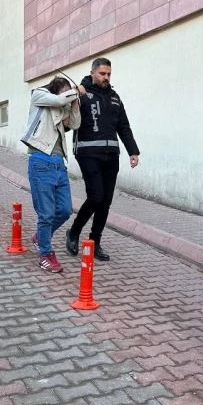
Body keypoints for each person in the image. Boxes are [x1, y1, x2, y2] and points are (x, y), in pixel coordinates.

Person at [65, 57, 139, 261]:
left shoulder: (115, 97)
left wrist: (133, 151)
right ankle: (73, 232)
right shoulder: (81, 93)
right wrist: (74, 92)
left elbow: (123, 126)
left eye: (109, 74)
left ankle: (95, 241)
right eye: (102, 73)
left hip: (111, 155)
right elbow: (63, 106)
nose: (106, 77)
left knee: (105, 202)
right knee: (96, 197)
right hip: (88, 153)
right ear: (92, 73)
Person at [21, 76, 81, 273]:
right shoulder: (39, 95)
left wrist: (75, 103)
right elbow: (58, 100)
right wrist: (74, 92)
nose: (67, 94)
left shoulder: (60, 106)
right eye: (65, 90)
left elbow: (75, 123)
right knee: (46, 214)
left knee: (64, 210)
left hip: (58, 164)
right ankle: (45, 254)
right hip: (40, 160)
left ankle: (40, 236)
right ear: (56, 89)